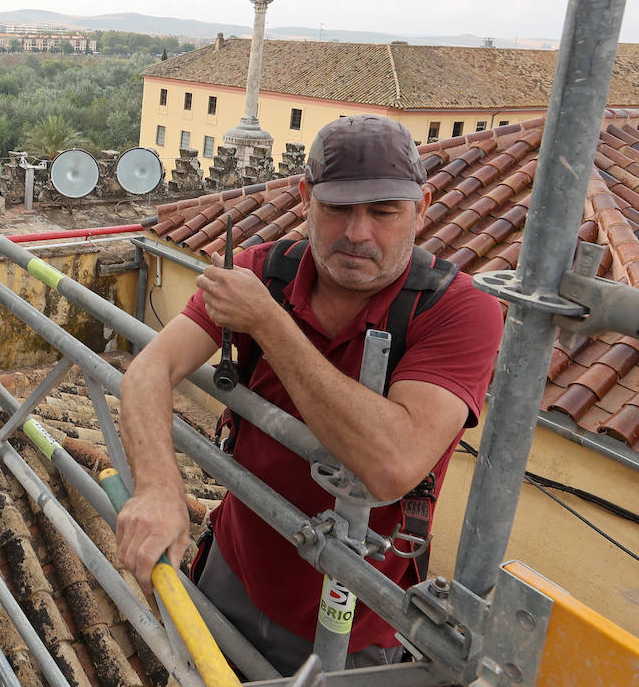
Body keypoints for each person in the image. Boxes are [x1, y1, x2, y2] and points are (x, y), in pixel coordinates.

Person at [115, 115, 502, 674]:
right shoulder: (265, 273)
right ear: (305, 198)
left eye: (384, 212)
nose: (357, 233)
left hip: (355, 622)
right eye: (338, 208)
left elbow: (390, 463)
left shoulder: (458, 312)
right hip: (231, 571)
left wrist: (270, 325)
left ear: (423, 206)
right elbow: (149, 368)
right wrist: (156, 487)